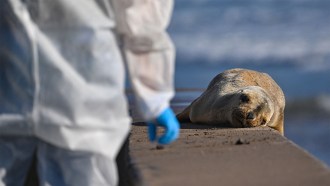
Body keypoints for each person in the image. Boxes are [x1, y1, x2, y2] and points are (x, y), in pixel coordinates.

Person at [0, 0, 180, 186]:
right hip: (84, 93)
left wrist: (154, 98)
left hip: (15, 85)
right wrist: (154, 96)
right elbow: (140, 17)